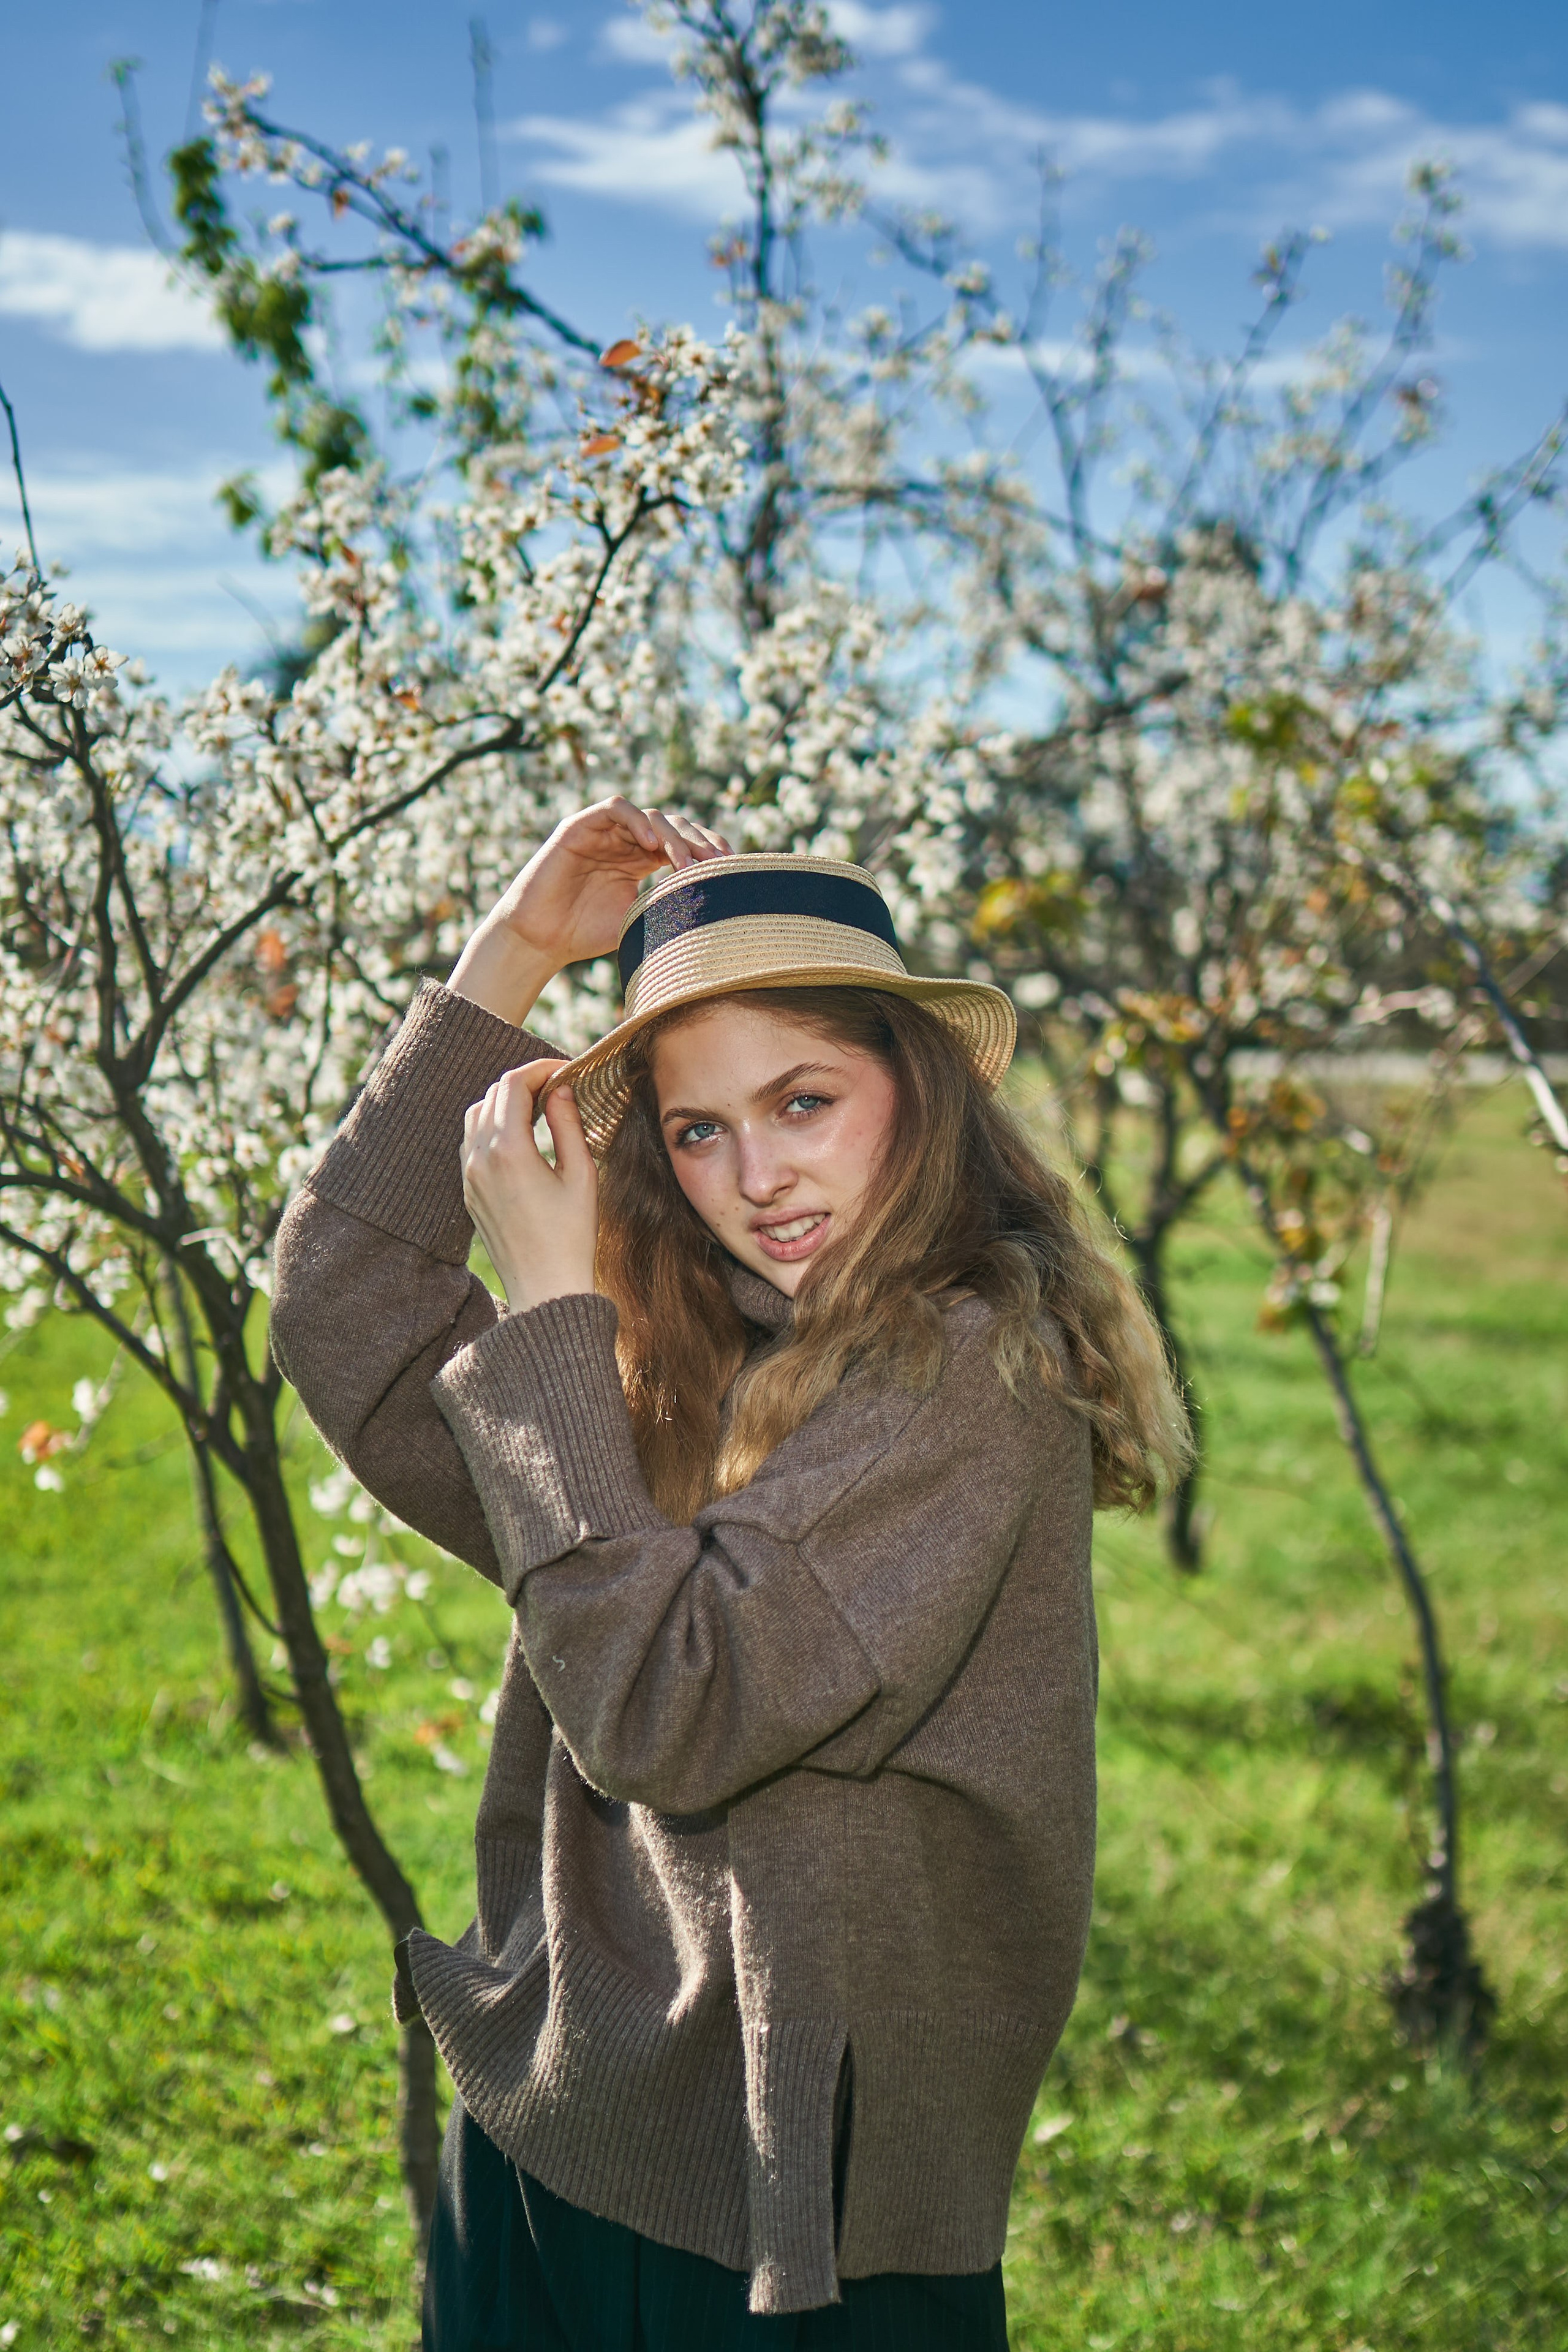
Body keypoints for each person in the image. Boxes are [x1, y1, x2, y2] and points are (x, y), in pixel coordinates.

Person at [270, 797, 1189, 2351]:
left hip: (785, 2204)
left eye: (803, 1100)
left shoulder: (973, 1371)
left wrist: (551, 1314)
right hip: (558, 2103)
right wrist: (510, 961)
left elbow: (663, 1715)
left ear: (921, 1092)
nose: (754, 1176)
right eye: (696, 1129)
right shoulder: (680, 1363)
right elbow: (343, 1318)